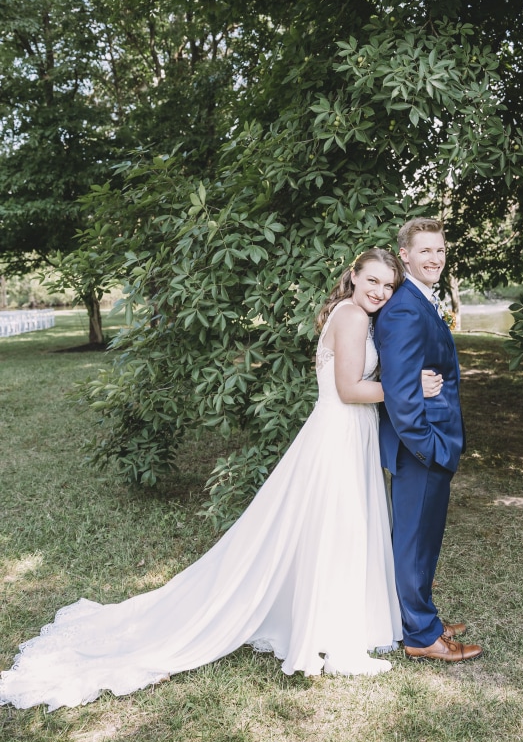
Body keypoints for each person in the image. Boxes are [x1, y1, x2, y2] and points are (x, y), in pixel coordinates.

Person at [0, 248, 443, 711]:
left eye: (388, 286)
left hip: (345, 433)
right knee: (337, 530)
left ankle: (333, 622)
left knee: (333, 529)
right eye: (371, 280)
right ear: (353, 276)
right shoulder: (352, 317)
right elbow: (351, 390)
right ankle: (332, 636)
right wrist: (410, 385)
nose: (379, 291)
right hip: (340, 433)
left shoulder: (349, 312)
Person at [374, 218, 483, 663]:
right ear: (405, 255)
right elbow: (400, 396)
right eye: (425, 251)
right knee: (415, 542)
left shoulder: (421, 300)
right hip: (420, 446)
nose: (435, 258)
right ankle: (420, 635)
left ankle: (423, 617)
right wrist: (427, 447)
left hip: (433, 443)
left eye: (439, 250)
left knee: (423, 539)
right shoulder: (402, 308)